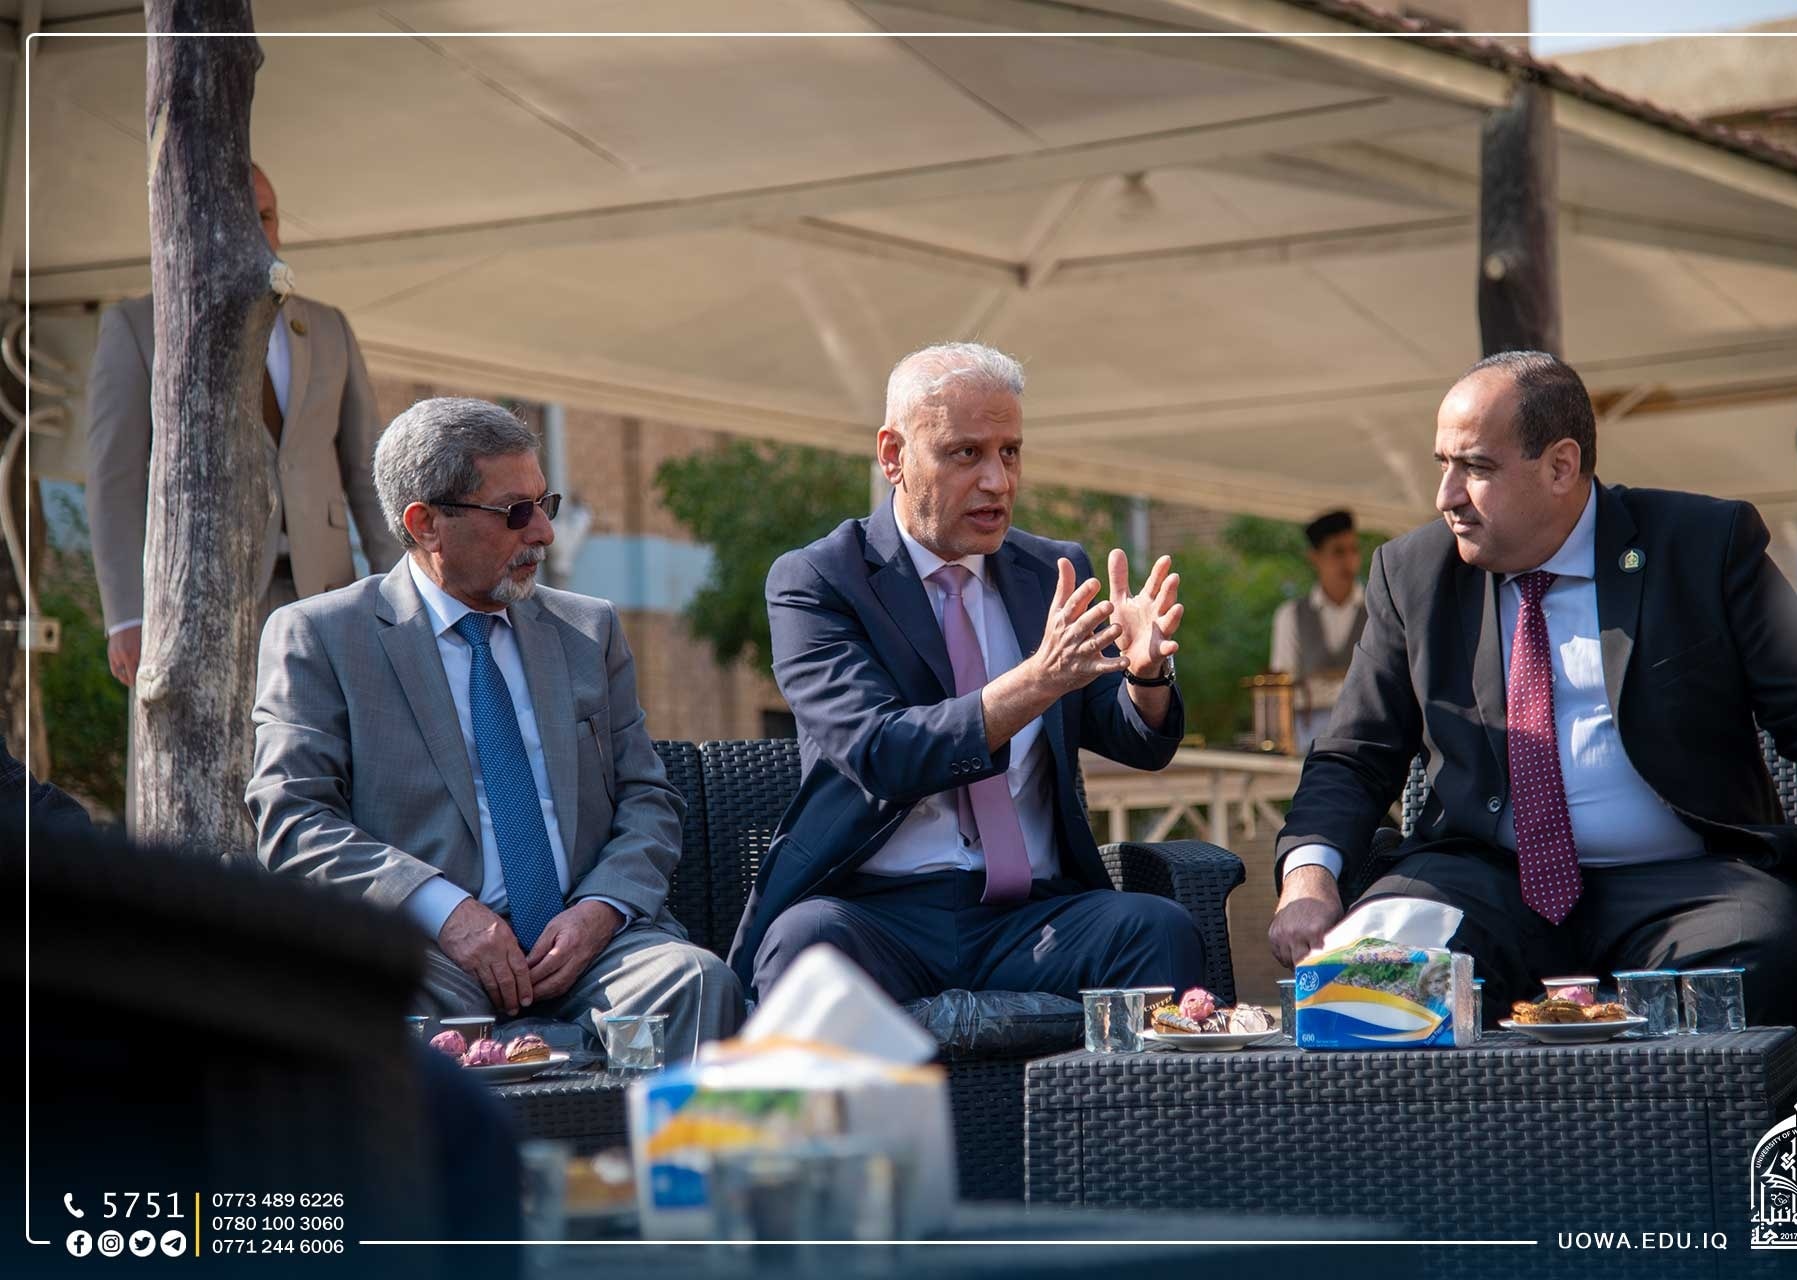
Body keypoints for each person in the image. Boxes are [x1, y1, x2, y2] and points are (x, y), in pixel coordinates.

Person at [1267, 351, 1797, 1044]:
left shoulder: (1703, 547)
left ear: (1561, 466)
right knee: (1359, 994)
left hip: (1693, 886)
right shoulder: (1414, 575)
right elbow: (1353, 753)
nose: (1446, 496)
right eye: (1443, 465)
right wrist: (1308, 875)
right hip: (1478, 880)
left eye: (1476, 468)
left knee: (1755, 977)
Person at [247, 397, 741, 1060]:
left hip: (595, 951)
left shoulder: (587, 630)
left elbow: (648, 799)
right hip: (427, 952)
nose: (544, 533)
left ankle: (639, 1131)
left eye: (544, 504)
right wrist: (446, 911)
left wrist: (601, 910)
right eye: (515, 512)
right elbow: (294, 819)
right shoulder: (323, 637)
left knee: (696, 983)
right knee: (378, 1000)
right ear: (426, 524)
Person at [730, 342, 1202, 1003]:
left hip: (1031, 917)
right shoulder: (819, 580)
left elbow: (1131, 739)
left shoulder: (1052, 572)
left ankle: (1149, 1082)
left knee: (1158, 929)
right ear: (893, 455)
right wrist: (1037, 680)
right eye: (966, 453)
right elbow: (882, 752)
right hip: (877, 915)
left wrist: (1145, 678)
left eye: (1010, 452)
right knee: (805, 944)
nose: (997, 481)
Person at [86, 162, 402, 691]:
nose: (259, 230)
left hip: (325, 596)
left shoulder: (328, 327)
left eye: (268, 216)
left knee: (325, 742)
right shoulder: (139, 327)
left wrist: (399, 590)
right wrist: (126, 615)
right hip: (199, 603)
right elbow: (114, 479)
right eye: (243, 216)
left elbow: (372, 473)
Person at [1270, 509, 1366, 751]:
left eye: (1353, 550)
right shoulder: (1290, 615)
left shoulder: (1378, 611)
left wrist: (1318, 684)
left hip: (1367, 735)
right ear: (1315, 557)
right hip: (1308, 741)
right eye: (1338, 552)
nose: (1348, 560)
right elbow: (1284, 687)